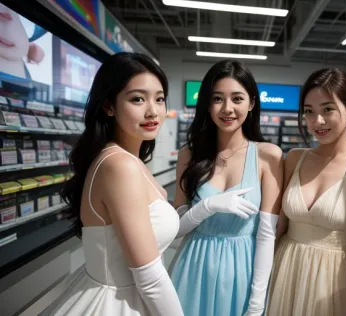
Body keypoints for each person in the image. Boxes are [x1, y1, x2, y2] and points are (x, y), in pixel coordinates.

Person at [41, 53, 183, 316]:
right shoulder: (121, 165)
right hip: (118, 302)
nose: (153, 110)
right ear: (109, 105)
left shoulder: (129, 159)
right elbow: (150, 277)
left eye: (159, 98)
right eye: (137, 99)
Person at [169, 59, 284, 316]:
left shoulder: (268, 156)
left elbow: (267, 235)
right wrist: (206, 207)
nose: (227, 108)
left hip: (242, 269)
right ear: (207, 104)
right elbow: (176, 229)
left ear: (252, 103)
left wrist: (257, 302)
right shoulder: (189, 154)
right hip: (194, 267)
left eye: (237, 99)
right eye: (218, 98)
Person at [266, 67, 346, 316]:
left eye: (328, 109)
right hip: (287, 272)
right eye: (309, 112)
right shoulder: (295, 158)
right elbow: (279, 228)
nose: (318, 122)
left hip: (337, 281)